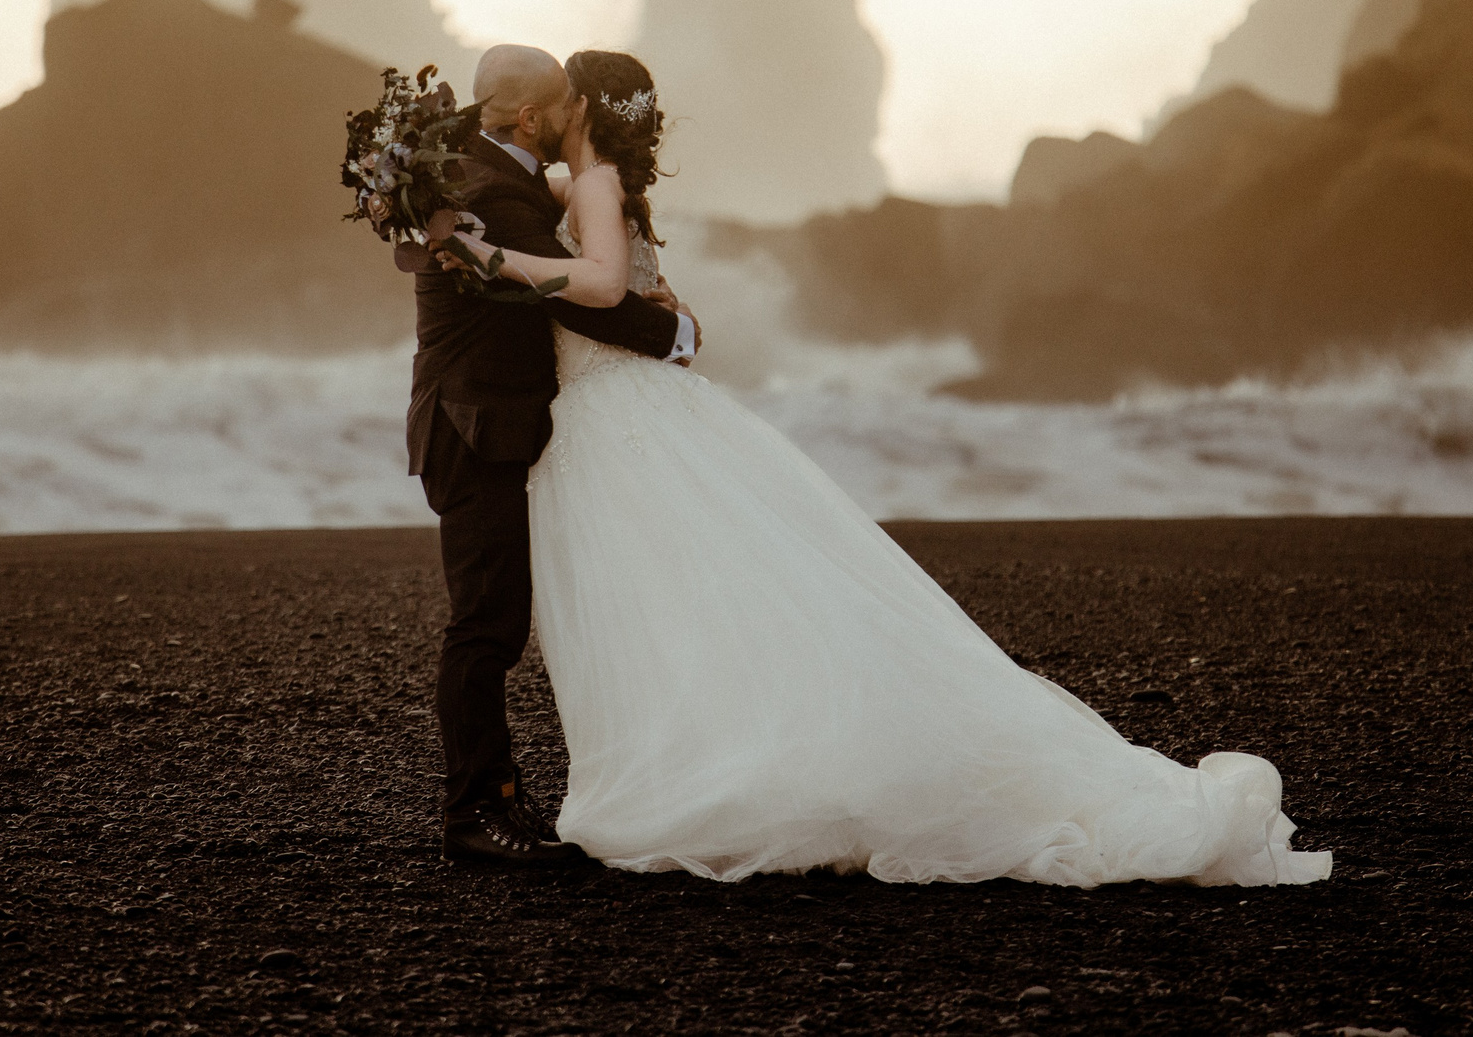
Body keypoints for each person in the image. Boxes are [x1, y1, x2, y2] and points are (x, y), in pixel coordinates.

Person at [434, 48, 1331, 886]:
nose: (549, 119)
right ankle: (684, 770)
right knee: (681, 598)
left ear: (578, 108)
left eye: (562, 102)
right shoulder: (559, 182)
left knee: (675, 600)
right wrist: (668, 321)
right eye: (538, 107)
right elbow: (610, 283)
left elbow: (595, 290)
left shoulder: (583, 184)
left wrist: (502, 262)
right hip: (607, 418)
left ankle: (696, 776)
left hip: (614, 419)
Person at [395, 44, 698, 866]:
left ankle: (499, 798)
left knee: (494, 622)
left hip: (489, 422)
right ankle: (474, 814)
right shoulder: (486, 189)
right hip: (474, 424)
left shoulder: (494, 172)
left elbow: (578, 223)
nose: (574, 109)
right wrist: (676, 331)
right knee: (485, 628)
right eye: (563, 100)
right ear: (530, 117)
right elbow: (590, 296)